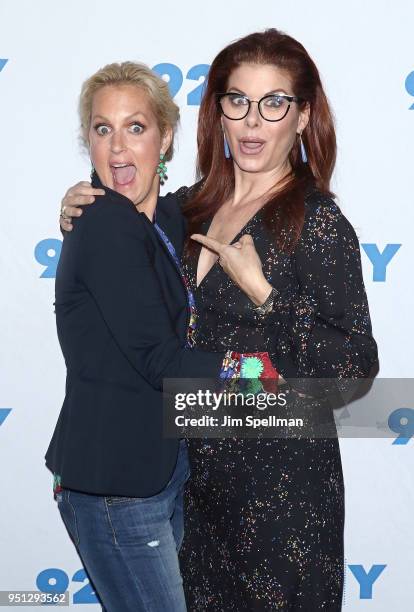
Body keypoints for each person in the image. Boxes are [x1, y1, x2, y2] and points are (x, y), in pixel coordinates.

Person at [59, 29, 378, 611]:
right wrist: (81, 199)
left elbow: (354, 369)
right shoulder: (196, 204)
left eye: (274, 102)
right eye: (238, 101)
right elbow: (130, 201)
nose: (254, 122)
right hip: (191, 488)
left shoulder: (317, 222)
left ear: (303, 117)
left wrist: (264, 293)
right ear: (219, 112)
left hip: (279, 496)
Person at [46, 60, 261, 612]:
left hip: (156, 471)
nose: (118, 148)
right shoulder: (106, 223)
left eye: (135, 127)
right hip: (118, 489)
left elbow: (233, 185)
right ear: (88, 140)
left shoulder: (163, 217)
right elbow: (157, 357)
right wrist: (256, 370)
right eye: (102, 128)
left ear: (164, 138)